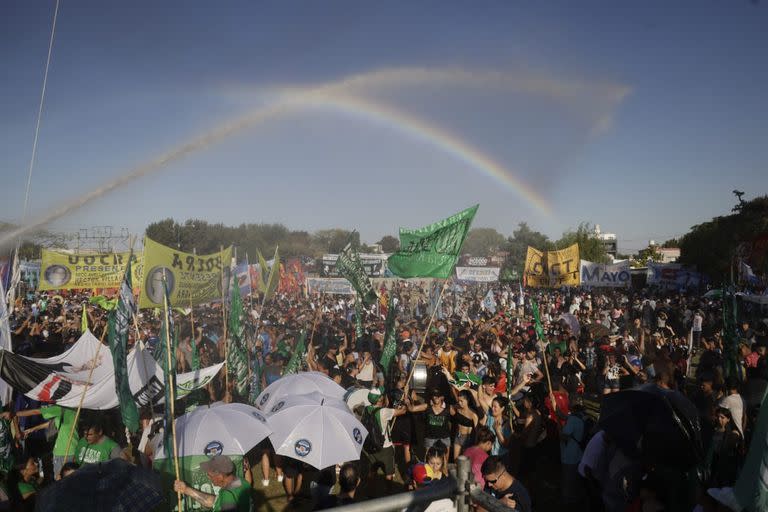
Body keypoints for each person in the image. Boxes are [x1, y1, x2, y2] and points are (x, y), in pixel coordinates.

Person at [174, 455, 252, 512]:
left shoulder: (228, 494)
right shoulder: (240, 482)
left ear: (220, 476)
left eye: (209, 475)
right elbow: (215, 502)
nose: (208, 477)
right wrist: (186, 490)